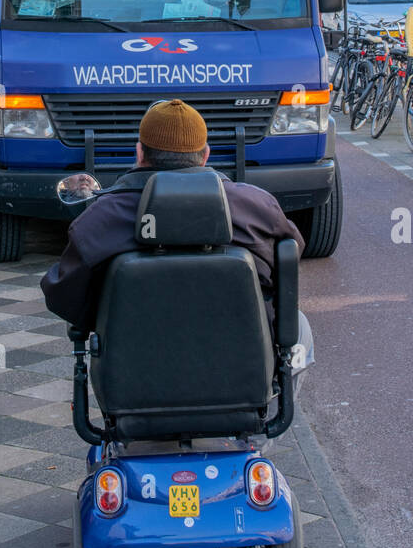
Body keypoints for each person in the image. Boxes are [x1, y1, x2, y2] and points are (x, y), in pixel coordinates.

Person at [41, 99, 313, 362]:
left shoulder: (99, 218)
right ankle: (279, 402)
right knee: (298, 325)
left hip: (133, 378)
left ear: (140, 153)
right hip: (242, 368)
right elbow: (288, 260)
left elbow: (63, 295)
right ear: (205, 155)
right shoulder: (256, 206)